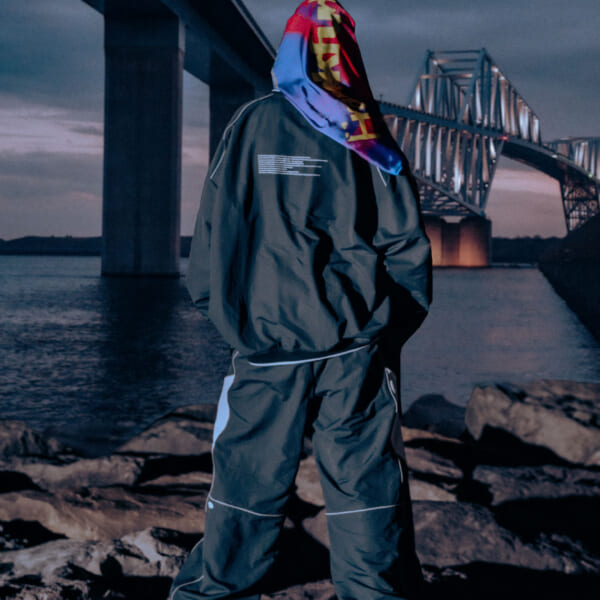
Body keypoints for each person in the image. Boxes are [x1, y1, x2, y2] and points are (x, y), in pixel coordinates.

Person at [168, 1, 432, 598]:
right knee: (367, 491)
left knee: (244, 487)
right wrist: (381, 333)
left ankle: (215, 591)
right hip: (355, 351)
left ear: (290, 50)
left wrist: (236, 323)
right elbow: (407, 247)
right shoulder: (367, 132)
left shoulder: (250, 123)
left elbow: (212, 238)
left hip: (267, 350)